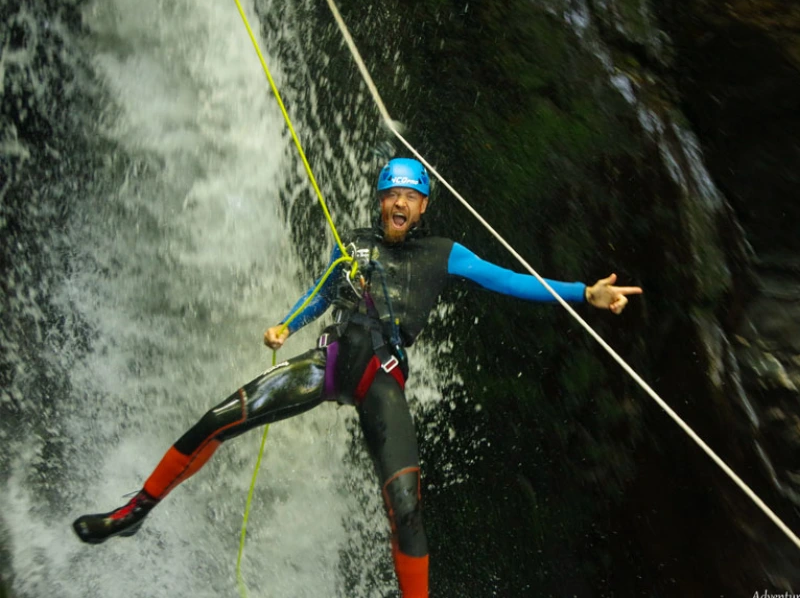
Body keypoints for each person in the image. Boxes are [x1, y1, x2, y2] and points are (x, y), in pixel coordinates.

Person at [73, 158, 643, 597]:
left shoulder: (446, 254)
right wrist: (283, 326)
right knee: (217, 421)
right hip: (327, 366)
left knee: (406, 502)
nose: (398, 201)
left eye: (409, 196)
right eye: (390, 193)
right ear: (380, 201)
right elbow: (321, 295)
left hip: (379, 380)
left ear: (423, 207)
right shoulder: (357, 244)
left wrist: (582, 294)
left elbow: (512, 282)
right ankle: (135, 512)